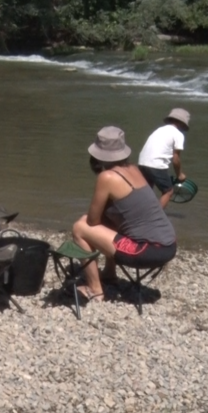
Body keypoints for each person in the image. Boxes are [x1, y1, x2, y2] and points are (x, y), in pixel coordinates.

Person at [72, 126, 177, 301]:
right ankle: (109, 274)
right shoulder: (134, 169)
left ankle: (95, 289)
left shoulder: (107, 177)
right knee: (110, 220)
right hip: (168, 245)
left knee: (79, 228)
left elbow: (92, 221)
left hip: (147, 251)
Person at [138, 108, 190, 208]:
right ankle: (156, 218)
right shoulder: (178, 134)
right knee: (168, 191)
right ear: (181, 123)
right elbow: (176, 159)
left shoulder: (159, 130)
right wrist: (179, 174)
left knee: (146, 192)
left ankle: (139, 214)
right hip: (156, 165)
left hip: (142, 163)